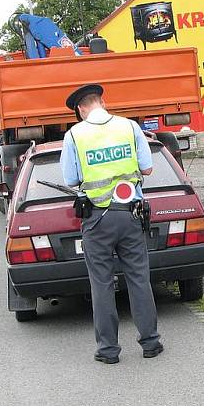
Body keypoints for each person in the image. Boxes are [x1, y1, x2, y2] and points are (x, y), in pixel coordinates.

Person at [60, 84, 163, 364]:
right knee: (139, 278)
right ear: (102, 102)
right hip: (131, 214)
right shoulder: (129, 127)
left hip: (97, 219)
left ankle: (108, 350)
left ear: (81, 109)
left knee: (102, 284)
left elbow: (70, 179)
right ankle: (151, 342)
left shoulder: (74, 135)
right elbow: (147, 169)